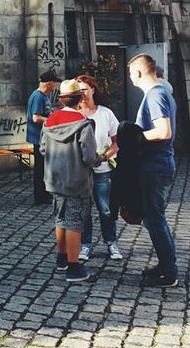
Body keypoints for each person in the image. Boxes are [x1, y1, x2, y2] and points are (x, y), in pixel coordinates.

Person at [128, 53, 178, 288]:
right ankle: (165, 265)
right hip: (158, 165)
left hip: (155, 166)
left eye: (130, 73)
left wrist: (134, 138)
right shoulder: (163, 91)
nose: (130, 78)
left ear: (138, 73)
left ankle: (169, 272)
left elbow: (163, 131)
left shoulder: (155, 95)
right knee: (154, 219)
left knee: (155, 220)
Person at [40, 79, 99, 283]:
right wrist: (101, 158)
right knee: (75, 222)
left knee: (61, 219)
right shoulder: (83, 124)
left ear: (62, 99)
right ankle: (73, 268)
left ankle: (61, 259)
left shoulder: (49, 121)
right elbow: (90, 156)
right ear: (80, 98)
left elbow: (42, 149)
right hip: (76, 180)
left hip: (54, 179)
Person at [75, 75, 122, 261]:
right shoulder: (74, 113)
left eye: (85, 89)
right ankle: (85, 245)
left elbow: (117, 142)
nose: (82, 94)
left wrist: (105, 157)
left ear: (93, 89)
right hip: (81, 172)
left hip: (102, 170)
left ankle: (111, 242)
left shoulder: (105, 113)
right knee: (84, 210)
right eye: (78, 91)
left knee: (106, 209)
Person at [26, 70, 61, 205]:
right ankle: (40, 197)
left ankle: (45, 193)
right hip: (38, 138)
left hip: (44, 137)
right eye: (55, 83)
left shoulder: (44, 95)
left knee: (46, 168)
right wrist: (51, 120)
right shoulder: (38, 96)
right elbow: (36, 118)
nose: (56, 86)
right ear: (50, 83)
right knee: (40, 168)